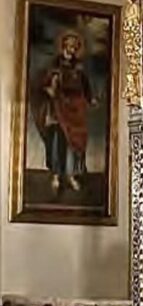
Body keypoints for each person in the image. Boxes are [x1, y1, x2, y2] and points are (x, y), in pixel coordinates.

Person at [32, 30, 96, 194]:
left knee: (73, 143)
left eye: (74, 46)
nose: (72, 49)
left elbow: (85, 86)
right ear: (64, 46)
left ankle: (71, 175)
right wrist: (49, 89)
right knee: (57, 141)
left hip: (74, 109)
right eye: (69, 45)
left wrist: (90, 99)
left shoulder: (79, 67)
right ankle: (56, 175)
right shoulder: (55, 64)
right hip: (58, 108)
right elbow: (45, 82)